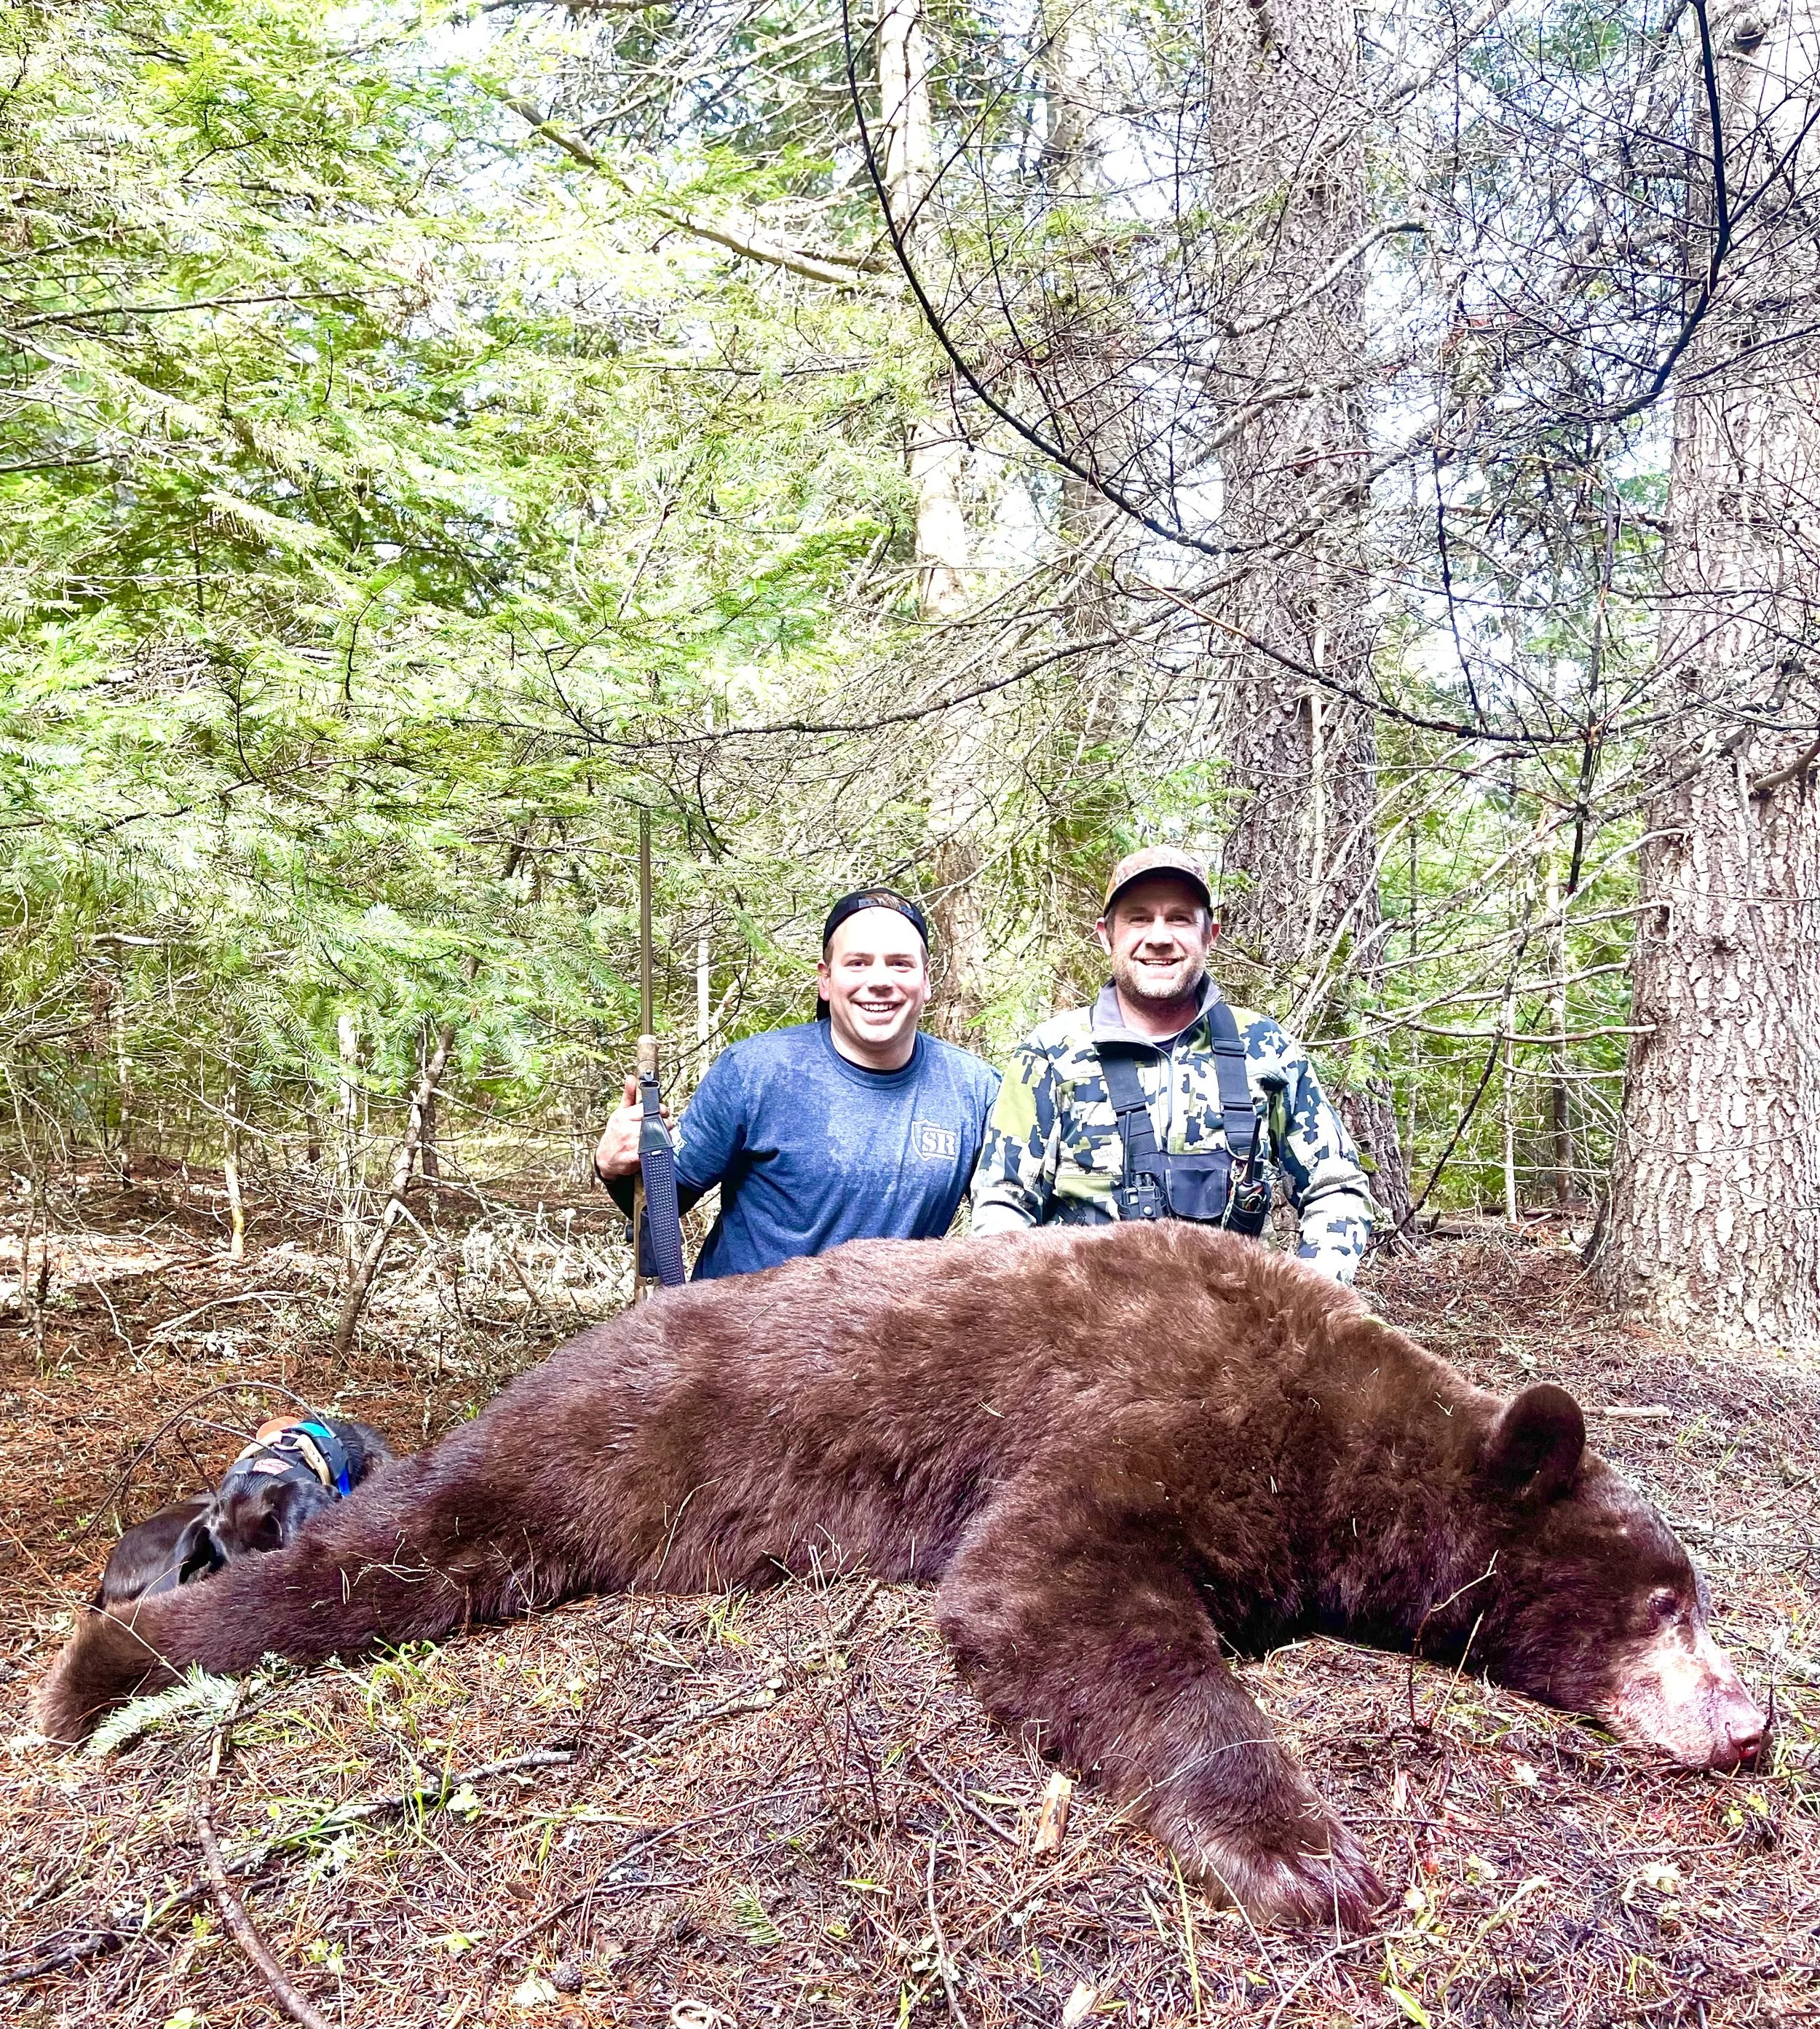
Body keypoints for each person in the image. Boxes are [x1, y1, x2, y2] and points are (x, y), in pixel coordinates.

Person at [969, 847, 1372, 1281]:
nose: (1159, 937)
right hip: (1082, 1331)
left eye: (1179, 918)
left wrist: (1306, 1300)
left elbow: (1337, 1187)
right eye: (1139, 918)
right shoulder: (1050, 1054)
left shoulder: (1265, 1050)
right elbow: (1003, 1204)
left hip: (1233, 1327)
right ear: (1107, 935)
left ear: (1209, 935)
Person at [593, 889, 1000, 1279]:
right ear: (825, 980)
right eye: (858, 963)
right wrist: (614, 1165)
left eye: (900, 964)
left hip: (885, 1342)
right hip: (741, 1337)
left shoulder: (975, 1091)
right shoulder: (754, 1071)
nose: (879, 980)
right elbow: (664, 1200)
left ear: (926, 981)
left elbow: (1015, 1219)